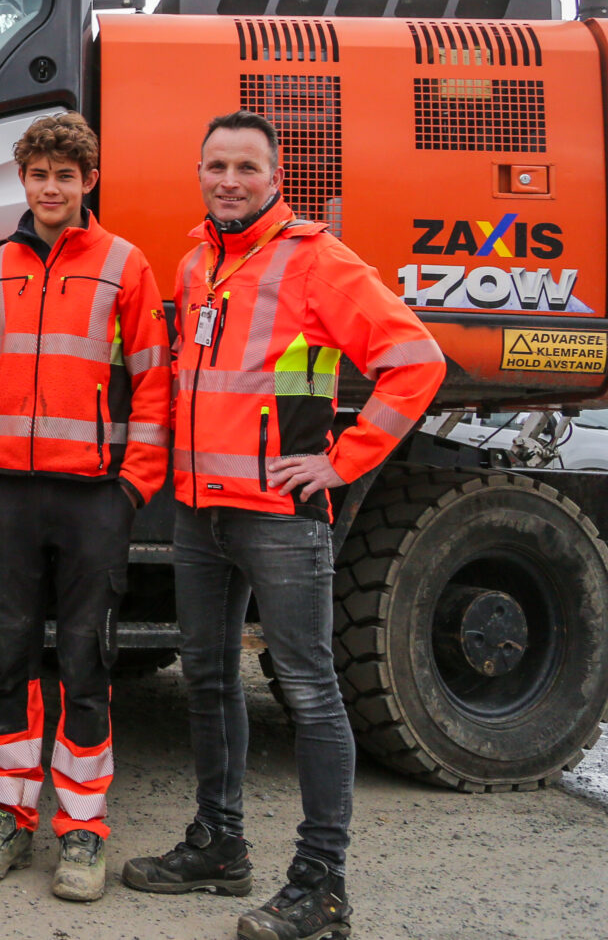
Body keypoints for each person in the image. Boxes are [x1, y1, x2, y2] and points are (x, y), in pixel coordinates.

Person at [122, 111, 444, 940]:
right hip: (200, 511)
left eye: (246, 167)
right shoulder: (198, 263)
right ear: (200, 173)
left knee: (307, 690)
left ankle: (322, 886)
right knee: (207, 679)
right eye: (216, 166)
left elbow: (416, 361)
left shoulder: (317, 260)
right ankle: (219, 845)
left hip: (278, 517)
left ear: (275, 178)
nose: (229, 180)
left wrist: (343, 461)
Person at [0, 111, 173, 903]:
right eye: (39, 175)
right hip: (6, 495)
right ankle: (8, 817)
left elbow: (154, 381)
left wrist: (133, 485)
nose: (51, 188)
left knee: (85, 663)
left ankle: (83, 829)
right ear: (23, 180)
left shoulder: (124, 265)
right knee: (7, 660)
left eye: (65, 176)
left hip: (93, 499)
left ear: (89, 182)